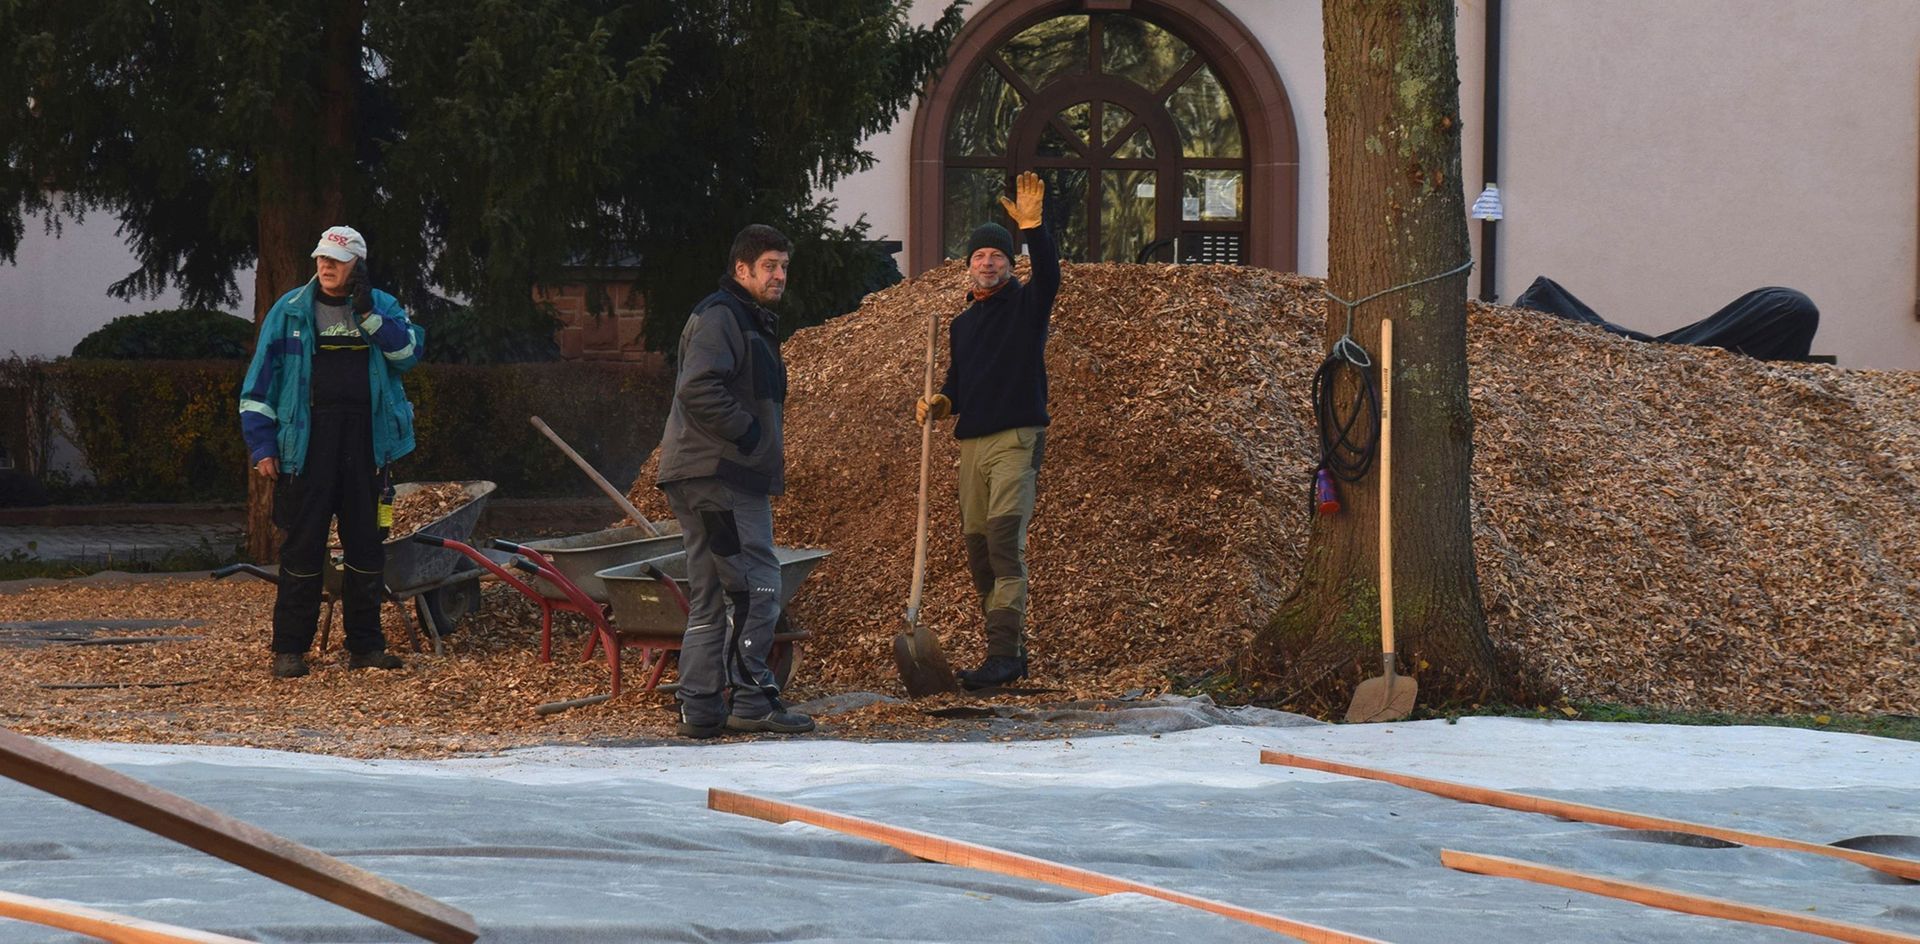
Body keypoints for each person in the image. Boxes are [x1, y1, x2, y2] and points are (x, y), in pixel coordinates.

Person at [239, 225, 424, 679]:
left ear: (356, 265)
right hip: (308, 444)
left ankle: (365, 648)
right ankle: (289, 649)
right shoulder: (290, 311)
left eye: (336, 261)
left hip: (367, 444)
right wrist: (262, 444)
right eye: (321, 257)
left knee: (367, 547)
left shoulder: (382, 306)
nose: (325, 266)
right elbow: (260, 384)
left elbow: (408, 356)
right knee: (302, 549)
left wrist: (369, 315)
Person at [655, 224, 814, 738]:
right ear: (741, 270)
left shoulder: (742, 319)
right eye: (769, 266)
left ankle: (700, 706)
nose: (779, 275)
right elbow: (697, 388)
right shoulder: (724, 317)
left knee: (709, 594)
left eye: (784, 266)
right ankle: (751, 700)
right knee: (756, 587)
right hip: (722, 475)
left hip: (701, 474)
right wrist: (747, 435)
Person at [915, 171, 1057, 690]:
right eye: (979, 256)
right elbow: (959, 382)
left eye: (997, 254)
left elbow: (1050, 276)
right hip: (972, 445)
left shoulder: (1027, 304)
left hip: (1016, 438)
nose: (988, 262)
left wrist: (1034, 229)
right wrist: (941, 401)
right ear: (968, 265)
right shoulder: (963, 324)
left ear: (1010, 262)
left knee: (1003, 544)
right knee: (978, 553)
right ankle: (1010, 652)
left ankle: (1000, 657)